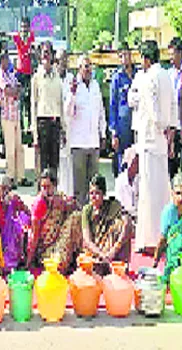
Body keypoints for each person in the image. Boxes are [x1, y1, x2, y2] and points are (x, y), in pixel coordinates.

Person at [135, 40, 177, 256]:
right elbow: (173, 107)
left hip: (151, 140)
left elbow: (152, 109)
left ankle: (152, 240)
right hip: (161, 140)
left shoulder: (149, 77)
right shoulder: (168, 76)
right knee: (161, 190)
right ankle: (163, 235)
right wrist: (171, 130)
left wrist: (161, 126)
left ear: (146, 58)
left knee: (150, 192)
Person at [66, 55, 106, 205]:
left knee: (94, 185)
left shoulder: (95, 85)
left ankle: (92, 216)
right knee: (80, 188)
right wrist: (72, 94)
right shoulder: (74, 86)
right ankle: (80, 218)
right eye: (86, 66)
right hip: (79, 144)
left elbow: (101, 112)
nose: (88, 69)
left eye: (90, 66)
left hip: (94, 142)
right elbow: (68, 113)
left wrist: (103, 134)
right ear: (79, 69)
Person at [28, 169, 81, 273]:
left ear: (55, 186)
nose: (45, 191)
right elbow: (34, 236)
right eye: (43, 187)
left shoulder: (59, 198)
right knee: (59, 264)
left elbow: (76, 206)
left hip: (59, 240)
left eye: (48, 187)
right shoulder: (40, 204)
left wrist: (64, 205)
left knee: (77, 218)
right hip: (46, 249)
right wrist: (29, 262)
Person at [81, 175, 133, 275]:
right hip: (95, 251)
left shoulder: (113, 206)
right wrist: (101, 254)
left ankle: (119, 265)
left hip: (111, 252)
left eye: (97, 193)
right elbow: (87, 240)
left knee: (120, 224)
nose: (93, 197)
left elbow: (128, 223)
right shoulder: (87, 210)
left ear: (104, 194)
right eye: (91, 193)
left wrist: (113, 251)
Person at [0, 53, 29, 187]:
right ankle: (10, 177)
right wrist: (14, 90)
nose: (7, 62)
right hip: (7, 117)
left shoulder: (10, 75)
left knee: (19, 148)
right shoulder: (0, 77)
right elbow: (8, 91)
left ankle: (20, 177)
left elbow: (19, 89)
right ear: (1, 61)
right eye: (5, 60)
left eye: (8, 60)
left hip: (15, 115)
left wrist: (15, 90)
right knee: (10, 149)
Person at [31, 41, 63, 174]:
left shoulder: (57, 78)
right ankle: (42, 193)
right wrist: (34, 133)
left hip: (55, 122)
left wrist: (63, 128)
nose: (46, 56)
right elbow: (33, 104)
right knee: (43, 164)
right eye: (43, 53)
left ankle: (53, 193)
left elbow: (60, 102)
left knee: (54, 163)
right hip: (42, 122)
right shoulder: (37, 78)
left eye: (48, 52)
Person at [0, 174, 31, 272]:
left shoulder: (13, 201)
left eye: (6, 188)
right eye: (1, 188)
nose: (4, 192)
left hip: (10, 241)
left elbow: (28, 212)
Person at [109, 42, 136, 178]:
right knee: (123, 163)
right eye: (121, 56)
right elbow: (113, 105)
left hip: (137, 124)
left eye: (126, 54)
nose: (124, 58)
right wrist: (114, 133)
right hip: (122, 126)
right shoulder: (117, 77)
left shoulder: (139, 74)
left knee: (136, 161)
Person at [154, 173, 182, 283]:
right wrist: (155, 261)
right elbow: (163, 240)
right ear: (172, 194)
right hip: (174, 261)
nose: (181, 198)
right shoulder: (168, 212)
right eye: (178, 193)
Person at [56, 49, 75, 196]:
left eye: (65, 59)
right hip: (56, 124)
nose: (63, 62)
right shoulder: (53, 78)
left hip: (70, 124)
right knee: (59, 161)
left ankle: (69, 193)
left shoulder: (71, 78)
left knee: (69, 159)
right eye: (60, 59)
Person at [12, 17, 35, 132]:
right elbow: (7, 35)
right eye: (22, 27)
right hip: (20, 72)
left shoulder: (32, 38)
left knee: (30, 100)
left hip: (29, 73)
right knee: (19, 100)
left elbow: (34, 49)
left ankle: (30, 126)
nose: (24, 29)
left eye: (26, 27)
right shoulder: (17, 38)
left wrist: (33, 53)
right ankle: (20, 127)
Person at [168, 37, 182, 179]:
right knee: (171, 170)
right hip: (172, 129)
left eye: (173, 54)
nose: (170, 58)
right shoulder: (169, 75)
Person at [114, 146, 139, 218]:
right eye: (135, 162)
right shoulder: (120, 180)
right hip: (124, 216)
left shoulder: (141, 179)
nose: (137, 165)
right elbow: (119, 204)